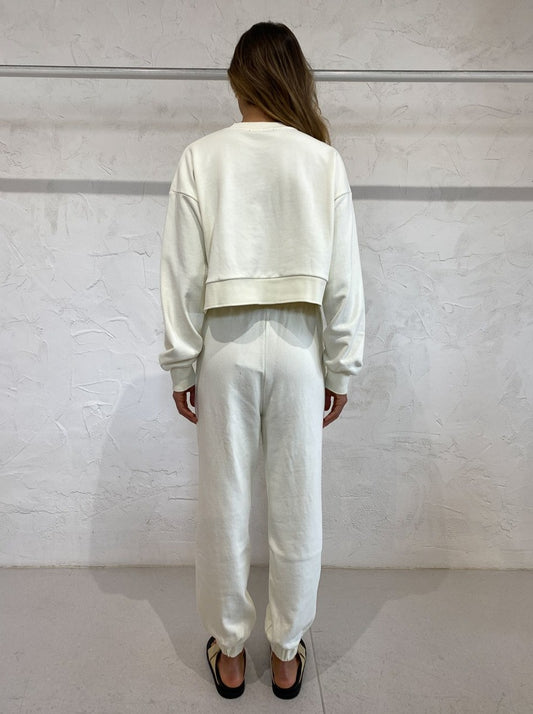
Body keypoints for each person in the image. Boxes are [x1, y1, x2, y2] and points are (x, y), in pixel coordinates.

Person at [158, 21, 365, 700]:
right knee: (297, 500)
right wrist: (341, 365)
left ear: (238, 80)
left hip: (225, 347)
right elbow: (344, 281)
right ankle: (284, 653)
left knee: (224, 500)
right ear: (293, 78)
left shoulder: (201, 157)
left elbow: (182, 273)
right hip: (300, 348)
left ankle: (228, 651)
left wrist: (182, 363)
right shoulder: (322, 161)